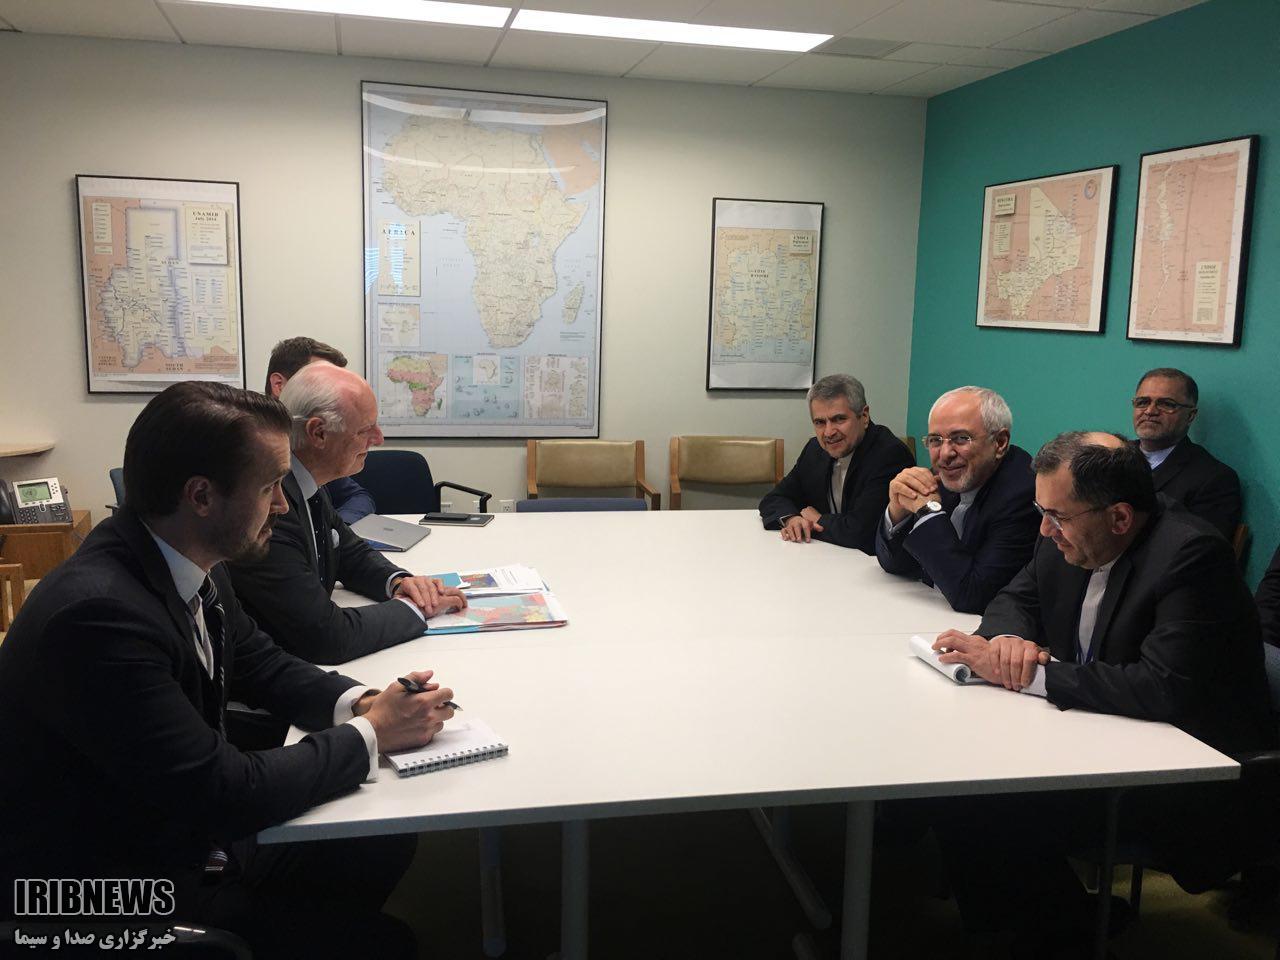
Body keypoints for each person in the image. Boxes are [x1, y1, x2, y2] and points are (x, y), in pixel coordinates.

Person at [0, 382, 457, 958]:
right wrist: (373, 733)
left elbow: (262, 665)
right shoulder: (99, 617)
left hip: (177, 830)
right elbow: (224, 792)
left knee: (379, 841)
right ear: (201, 496)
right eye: (269, 487)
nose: (283, 505)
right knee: (386, 944)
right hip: (112, 885)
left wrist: (363, 703)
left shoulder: (192, 558)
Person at [928, 432, 1273, 953]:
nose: (1044, 529)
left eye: (1057, 517)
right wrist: (1006, 642)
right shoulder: (1066, 536)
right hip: (1100, 734)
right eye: (1042, 512)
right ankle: (1046, 919)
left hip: (1186, 771)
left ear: (1119, 518)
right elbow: (1013, 599)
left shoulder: (1191, 556)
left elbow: (1161, 687)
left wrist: (1031, 675)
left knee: (983, 801)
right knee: (957, 775)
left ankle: (1052, 932)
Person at [228, 362, 466, 665]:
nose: (379, 438)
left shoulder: (307, 481)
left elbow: (348, 552)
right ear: (318, 433)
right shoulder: (272, 507)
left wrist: (398, 582)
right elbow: (326, 636)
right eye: (366, 429)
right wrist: (416, 608)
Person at [874, 386, 1038, 613]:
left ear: (1000, 443)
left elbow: (973, 596)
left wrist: (928, 511)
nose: (944, 454)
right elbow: (896, 564)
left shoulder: (1022, 493)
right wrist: (897, 511)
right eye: (935, 440)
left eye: (961, 439)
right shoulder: (950, 474)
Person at [759, 374, 913, 553]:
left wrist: (818, 520)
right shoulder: (814, 449)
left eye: (839, 419)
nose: (828, 432)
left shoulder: (890, 455)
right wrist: (792, 519)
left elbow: (862, 533)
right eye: (820, 422)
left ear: (864, 416)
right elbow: (775, 498)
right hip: (825, 555)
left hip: (872, 563)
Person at [265, 335, 375, 525]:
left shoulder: (319, 453)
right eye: (320, 381)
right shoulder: (259, 454)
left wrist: (336, 531)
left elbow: (357, 496)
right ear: (279, 385)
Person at [1131, 366, 1241, 539]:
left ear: (1190, 416)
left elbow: (1203, 549)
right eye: (1143, 402)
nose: (1150, 411)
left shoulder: (1214, 479)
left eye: (1166, 404)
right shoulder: (1111, 455)